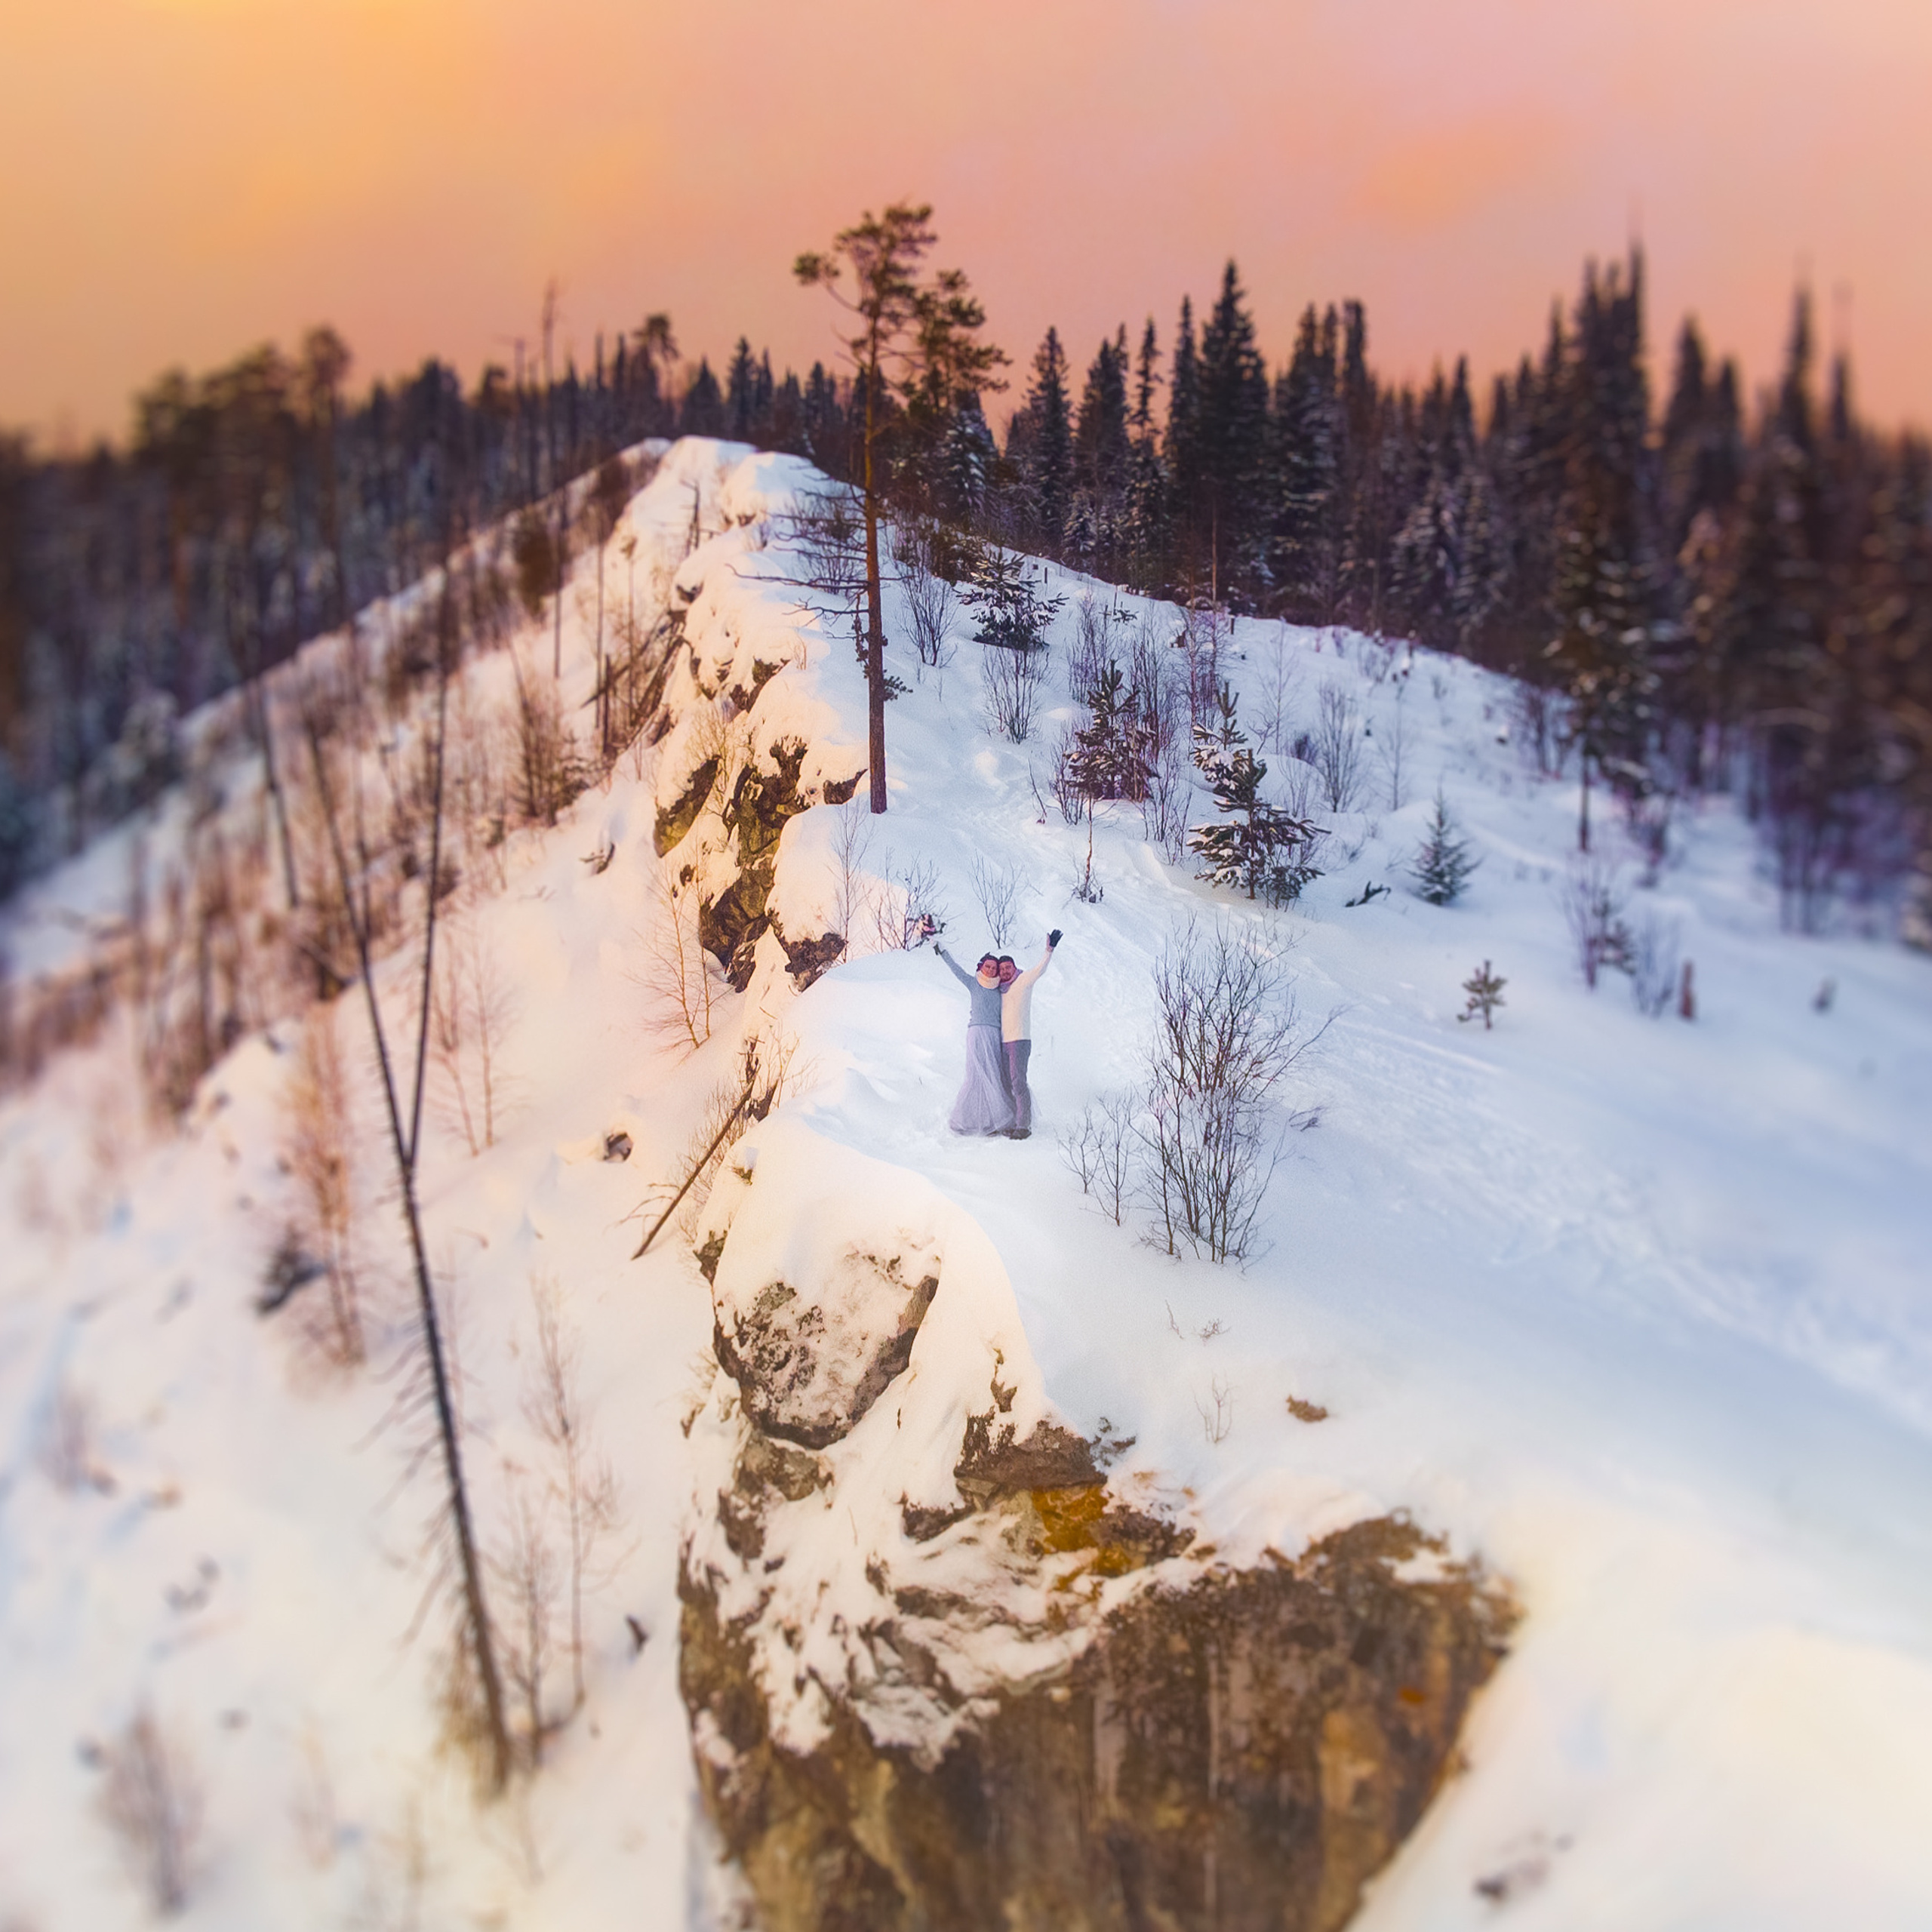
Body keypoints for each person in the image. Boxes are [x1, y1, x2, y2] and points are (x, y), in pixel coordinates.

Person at [933, 939, 1017, 1136]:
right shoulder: (974, 983)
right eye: (987, 966)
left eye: (993, 968)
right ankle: (969, 1120)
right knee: (975, 1076)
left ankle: (994, 1121)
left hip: (995, 1035)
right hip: (977, 1034)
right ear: (982, 967)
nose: (990, 970)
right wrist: (941, 951)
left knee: (993, 1077)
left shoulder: (1001, 988)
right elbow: (956, 969)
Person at [997, 931, 1061, 1139]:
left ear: (1014, 968)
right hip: (1004, 1042)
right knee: (1007, 1082)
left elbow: (1039, 969)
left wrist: (1049, 951)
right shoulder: (1001, 989)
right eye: (1003, 969)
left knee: (1018, 1082)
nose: (1006, 972)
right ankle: (1014, 1122)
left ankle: (1024, 1126)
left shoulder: (1024, 980)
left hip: (1020, 1040)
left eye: (1009, 968)